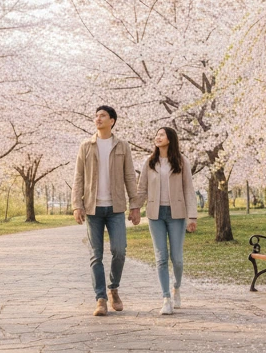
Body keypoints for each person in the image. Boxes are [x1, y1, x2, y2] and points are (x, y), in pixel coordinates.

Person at [72, 105, 142, 316]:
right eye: (96, 115)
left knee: (119, 250)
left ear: (112, 120)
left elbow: (130, 176)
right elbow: (78, 177)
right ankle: (100, 298)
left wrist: (135, 205)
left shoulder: (122, 146)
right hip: (93, 208)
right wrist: (77, 204)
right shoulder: (86, 146)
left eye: (102, 115)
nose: (97, 118)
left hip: (116, 207)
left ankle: (113, 289)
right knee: (96, 255)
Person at [137, 126, 197, 315]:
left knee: (177, 259)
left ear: (170, 139)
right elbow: (141, 189)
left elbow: (188, 189)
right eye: (156, 135)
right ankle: (166, 298)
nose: (158, 137)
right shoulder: (150, 162)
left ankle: (176, 287)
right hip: (155, 214)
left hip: (176, 214)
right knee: (161, 258)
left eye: (161, 135)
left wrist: (192, 216)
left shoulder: (181, 162)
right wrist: (135, 209)